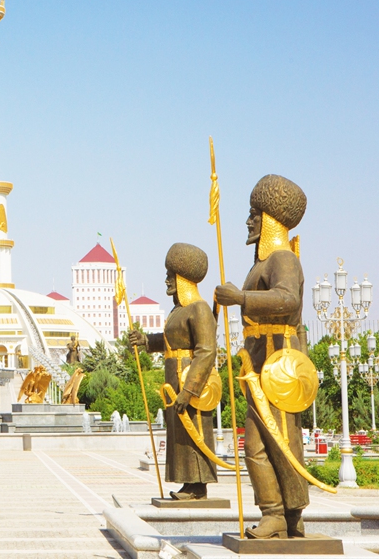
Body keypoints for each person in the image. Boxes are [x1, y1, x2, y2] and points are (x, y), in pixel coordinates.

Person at [214, 174, 310, 539]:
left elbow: (288, 300)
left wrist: (241, 299)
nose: (249, 220)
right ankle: (277, 512)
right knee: (257, 443)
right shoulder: (260, 265)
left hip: (278, 363)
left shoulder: (283, 258)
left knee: (276, 439)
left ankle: (285, 513)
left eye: (254, 213)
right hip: (259, 363)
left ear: (270, 218)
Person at [127, 243, 218, 501]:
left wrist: (189, 390)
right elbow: (171, 340)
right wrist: (146, 340)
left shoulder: (199, 309)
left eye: (171, 275)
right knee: (180, 435)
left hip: (191, 383)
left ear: (183, 278)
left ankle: (199, 486)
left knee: (194, 430)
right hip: (173, 379)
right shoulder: (178, 310)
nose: (167, 280)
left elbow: (206, 351)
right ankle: (189, 484)